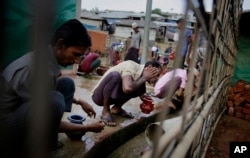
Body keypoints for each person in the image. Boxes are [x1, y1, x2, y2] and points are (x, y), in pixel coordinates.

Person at [0, 19, 105, 157]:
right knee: (55, 100)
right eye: (75, 54)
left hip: (20, 109)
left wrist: (79, 101)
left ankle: (48, 140)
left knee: (66, 84)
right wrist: (88, 127)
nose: (77, 61)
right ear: (61, 44)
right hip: (6, 126)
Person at [91, 60, 162, 127]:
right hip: (99, 97)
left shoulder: (140, 74)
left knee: (140, 87)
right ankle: (105, 111)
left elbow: (136, 87)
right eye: (157, 74)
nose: (157, 78)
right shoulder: (131, 65)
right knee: (115, 76)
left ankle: (117, 108)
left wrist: (141, 94)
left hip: (112, 96)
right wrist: (144, 77)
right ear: (149, 67)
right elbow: (127, 88)